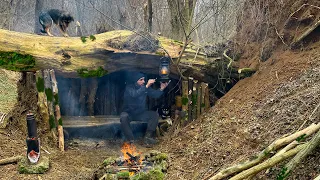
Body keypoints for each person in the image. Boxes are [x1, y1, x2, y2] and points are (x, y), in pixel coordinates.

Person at [120, 72, 169, 146]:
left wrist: (162, 88)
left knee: (154, 115)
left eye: (144, 79)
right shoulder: (129, 88)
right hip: (129, 113)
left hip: (140, 113)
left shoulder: (145, 88)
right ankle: (131, 140)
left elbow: (155, 94)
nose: (143, 81)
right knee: (123, 117)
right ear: (135, 81)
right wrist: (146, 86)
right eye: (141, 80)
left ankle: (147, 138)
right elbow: (135, 94)